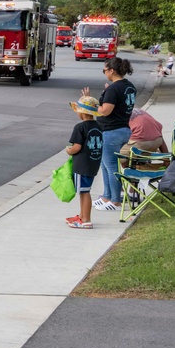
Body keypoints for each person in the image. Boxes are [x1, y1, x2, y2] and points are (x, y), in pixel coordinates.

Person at [82, 56, 137, 212]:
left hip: (111, 131)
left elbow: (105, 111)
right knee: (106, 165)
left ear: (112, 70)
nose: (104, 72)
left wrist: (93, 105)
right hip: (123, 129)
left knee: (111, 166)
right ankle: (107, 196)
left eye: (105, 70)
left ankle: (115, 201)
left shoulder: (114, 88)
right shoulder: (129, 86)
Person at [64, 95, 104, 229]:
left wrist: (69, 151)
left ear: (82, 112)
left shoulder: (79, 127)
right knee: (83, 190)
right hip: (93, 162)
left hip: (82, 165)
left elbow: (76, 147)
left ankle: (86, 219)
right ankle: (82, 215)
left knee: (84, 192)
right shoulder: (98, 126)